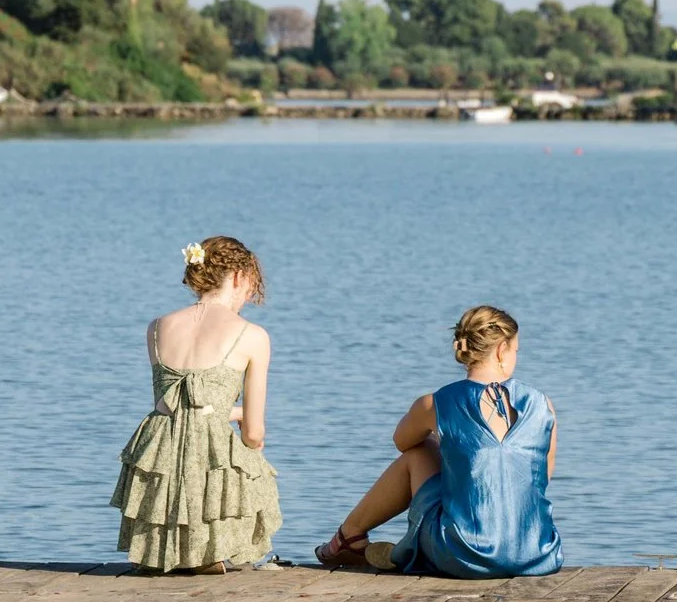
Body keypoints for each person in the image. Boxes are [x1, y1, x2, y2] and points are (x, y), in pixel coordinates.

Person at [315, 304, 560, 578]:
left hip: (464, 556)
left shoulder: (435, 403)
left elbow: (403, 442)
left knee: (420, 451)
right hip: (536, 551)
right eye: (516, 350)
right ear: (502, 350)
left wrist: (444, 438)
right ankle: (371, 541)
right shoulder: (543, 404)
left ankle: (349, 537)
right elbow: (539, 481)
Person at [110, 237, 280, 573]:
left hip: (160, 449)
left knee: (170, 431)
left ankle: (162, 547)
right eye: (250, 284)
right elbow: (254, 432)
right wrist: (246, 427)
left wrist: (231, 413)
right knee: (252, 449)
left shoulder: (157, 327)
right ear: (237, 276)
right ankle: (211, 547)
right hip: (208, 450)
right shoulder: (252, 335)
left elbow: (170, 405)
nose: (249, 294)